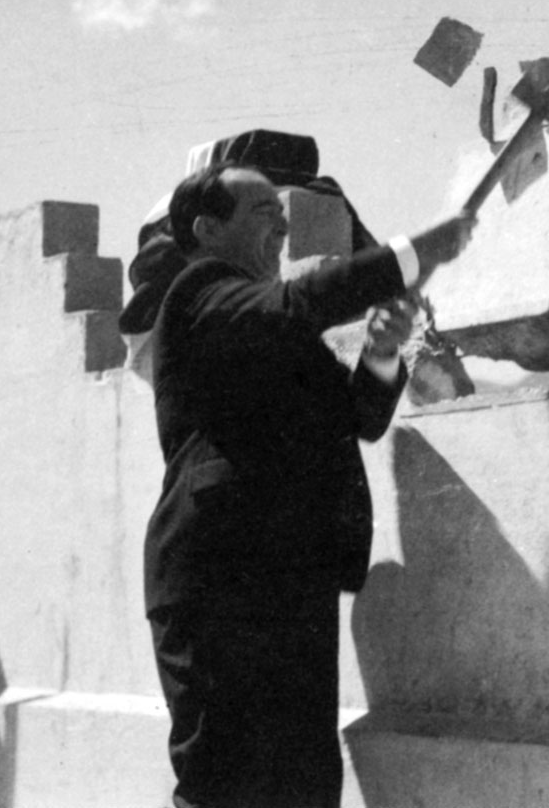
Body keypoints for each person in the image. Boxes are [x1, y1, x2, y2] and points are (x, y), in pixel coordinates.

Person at [143, 164, 475, 808]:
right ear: (207, 229)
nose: (281, 223)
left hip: (294, 581)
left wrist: (382, 350)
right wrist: (417, 252)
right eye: (262, 211)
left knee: (304, 780)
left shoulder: (270, 327)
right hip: (220, 585)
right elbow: (303, 300)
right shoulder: (198, 294)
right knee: (223, 779)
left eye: (281, 212)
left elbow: (358, 420)